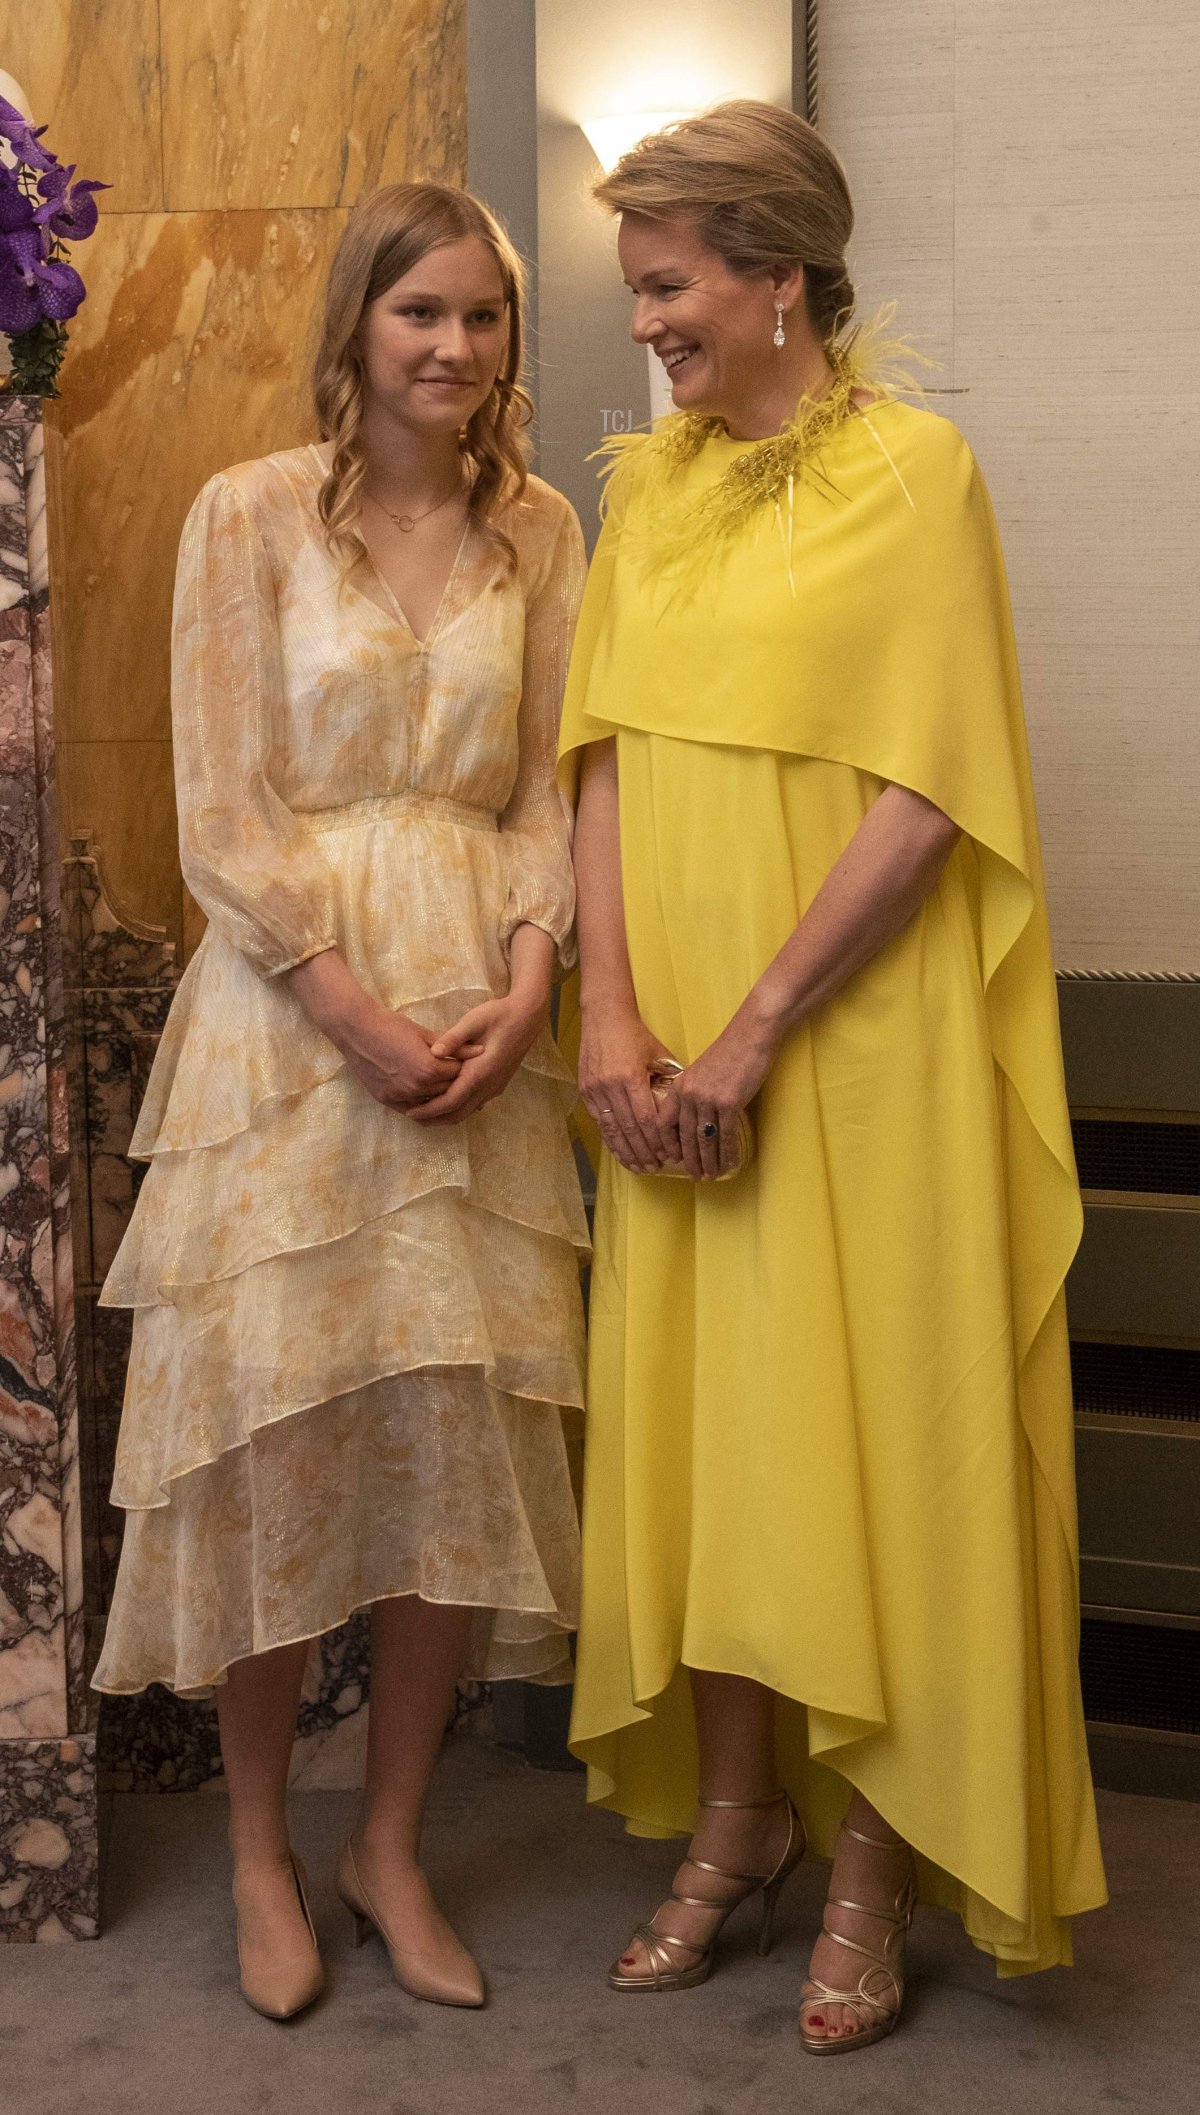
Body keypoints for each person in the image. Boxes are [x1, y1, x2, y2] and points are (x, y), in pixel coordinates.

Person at [559, 101, 1106, 2053]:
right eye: (643, 293)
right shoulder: (648, 495)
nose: (652, 331)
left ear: (781, 272)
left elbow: (929, 791)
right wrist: (614, 1024)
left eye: (673, 286)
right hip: (669, 1059)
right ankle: (735, 1818)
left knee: (870, 1441)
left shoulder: (918, 476)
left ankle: (869, 1857)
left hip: (850, 1057)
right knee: (724, 1444)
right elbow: (604, 762)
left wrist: (757, 1027)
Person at [92, 182, 589, 2021]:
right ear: (357, 326)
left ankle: (392, 1843)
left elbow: (549, 791)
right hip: (294, 1044)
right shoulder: (244, 516)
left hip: (482, 1034)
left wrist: (532, 979)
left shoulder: (542, 530)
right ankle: (256, 1849)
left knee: (446, 1448)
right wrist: (348, 1005)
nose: (454, 349)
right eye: (421, 315)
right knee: (289, 1446)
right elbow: (223, 802)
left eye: (482, 319)